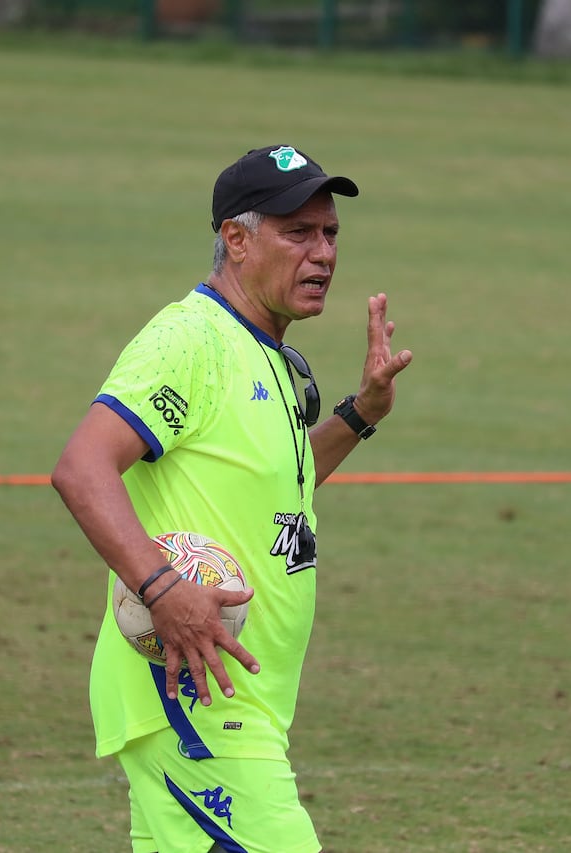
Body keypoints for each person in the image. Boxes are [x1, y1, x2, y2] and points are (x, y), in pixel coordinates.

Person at [51, 144, 413, 853]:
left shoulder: (266, 352)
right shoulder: (191, 340)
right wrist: (161, 586)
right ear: (237, 240)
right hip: (193, 700)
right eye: (298, 233)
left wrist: (361, 413)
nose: (323, 254)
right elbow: (82, 467)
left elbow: (282, 481)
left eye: (330, 233)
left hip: (240, 703)